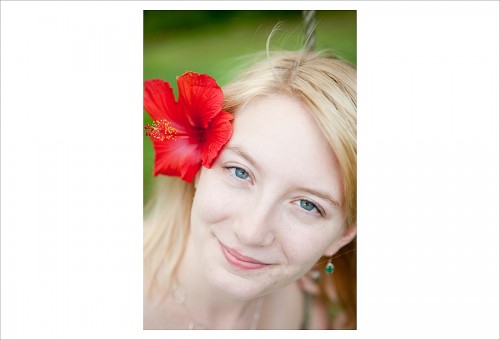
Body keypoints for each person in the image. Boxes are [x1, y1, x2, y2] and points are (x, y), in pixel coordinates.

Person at [143, 47, 357, 330]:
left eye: (308, 205)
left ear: (342, 236)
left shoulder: (314, 315)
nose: (251, 232)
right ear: (199, 165)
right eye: (240, 172)